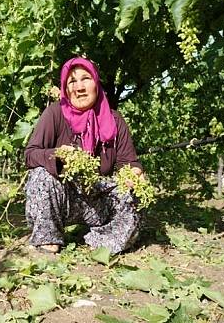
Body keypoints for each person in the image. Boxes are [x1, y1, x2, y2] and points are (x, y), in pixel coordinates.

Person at [24, 57, 144, 254]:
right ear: (65, 87)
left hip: (98, 200)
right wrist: (58, 155)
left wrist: (135, 172)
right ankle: (48, 237)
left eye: (85, 78)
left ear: (96, 83)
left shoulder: (115, 120)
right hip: (64, 200)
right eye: (72, 81)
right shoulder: (54, 114)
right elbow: (30, 154)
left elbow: (128, 162)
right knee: (41, 176)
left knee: (135, 192)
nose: (79, 87)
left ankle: (103, 240)